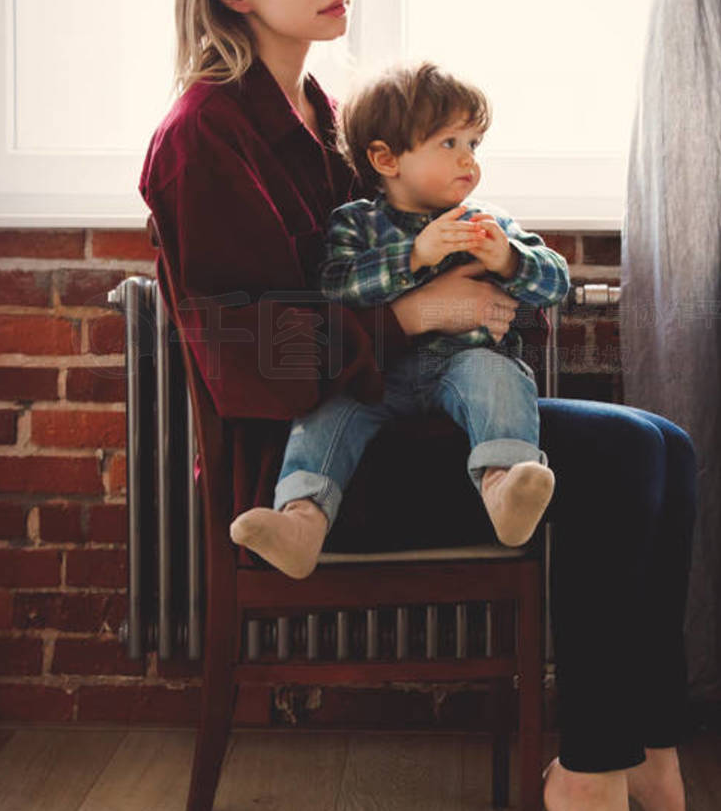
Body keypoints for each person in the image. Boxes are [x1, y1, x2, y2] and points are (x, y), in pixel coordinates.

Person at [139, 0, 711, 811]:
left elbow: (386, 251)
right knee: (628, 461)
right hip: (313, 467)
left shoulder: (315, 110)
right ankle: (589, 768)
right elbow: (240, 350)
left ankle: (645, 744)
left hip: (392, 421)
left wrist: (480, 273)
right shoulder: (203, 135)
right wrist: (414, 316)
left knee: (665, 448)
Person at [227, 60, 569, 578]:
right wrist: (414, 256)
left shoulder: (489, 222)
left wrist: (510, 260)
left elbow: (556, 282)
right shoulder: (355, 224)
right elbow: (334, 287)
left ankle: (504, 487)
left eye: (473, 145)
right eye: (448, 144)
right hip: (375, 375)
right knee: (327, 408)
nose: (468, 162)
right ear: (387, 159)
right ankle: (301, 519)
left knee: (498, 373)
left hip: (461, 365)